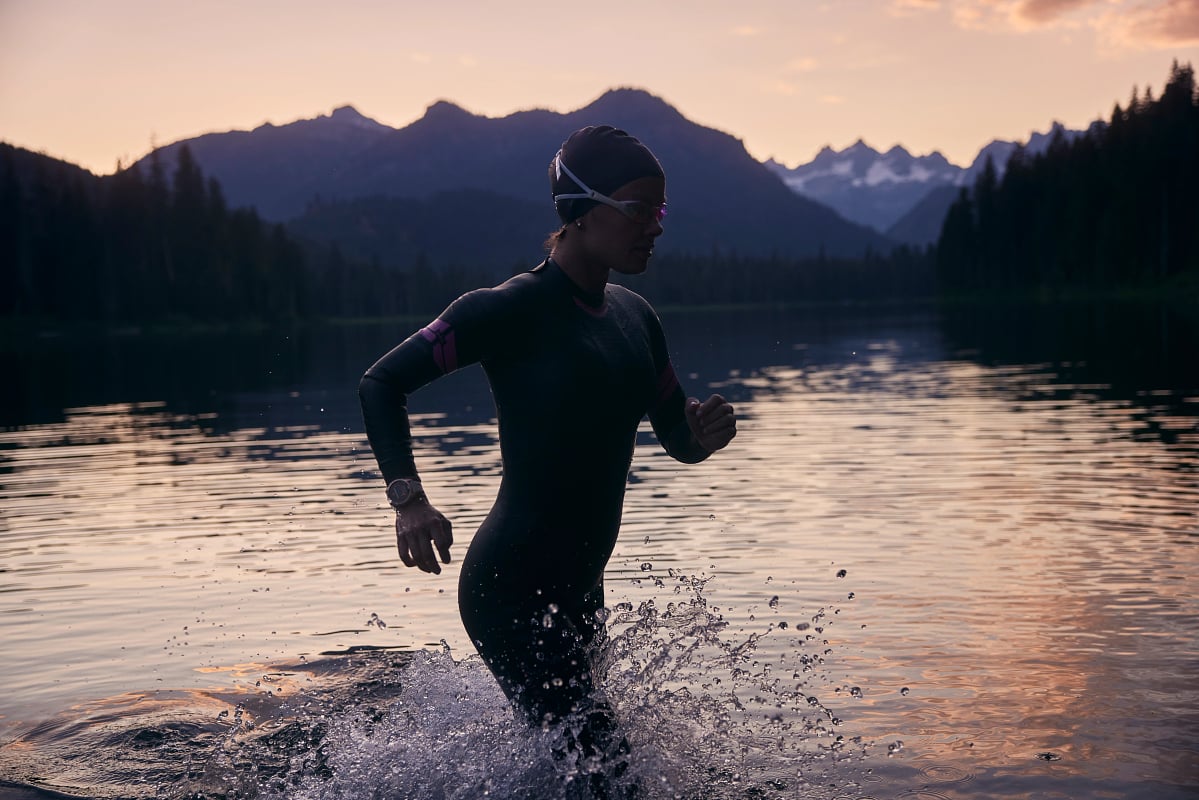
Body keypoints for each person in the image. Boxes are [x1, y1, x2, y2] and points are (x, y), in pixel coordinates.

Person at [358, 125, 737, 776]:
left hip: (581, 591)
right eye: (640, 211)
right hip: (509, 590)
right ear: (583, 212)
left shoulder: (636, 319)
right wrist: (408, 500)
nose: (656, 227)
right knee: (606, 771)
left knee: (578, 767)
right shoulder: (506, 310)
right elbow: (381, 382)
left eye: (660, 211)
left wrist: (699, 438)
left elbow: (676, 438)